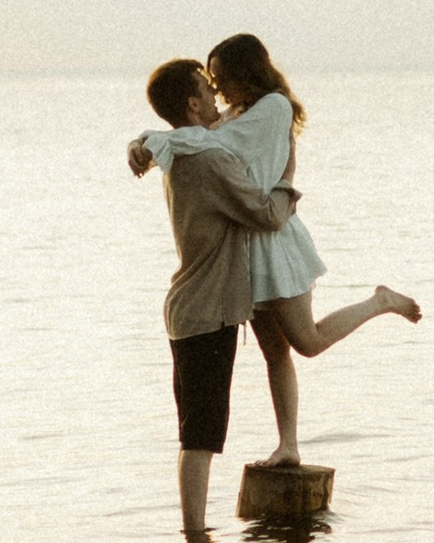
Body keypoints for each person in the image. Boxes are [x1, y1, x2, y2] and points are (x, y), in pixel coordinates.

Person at [128, 31, 418, 463]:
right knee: (274, 352)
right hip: (247, 243)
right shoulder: (236, 112)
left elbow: (214, 144)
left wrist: (152, 143)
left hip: (275, 236)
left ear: (247, 73)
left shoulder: (273, 108)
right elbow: (200, 137)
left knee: (307, 340)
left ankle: (380, 302)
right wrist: (145, 141)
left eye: (221, 78)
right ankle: (288, 446)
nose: (217, 88)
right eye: (212, 81)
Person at [138, 55, 298, 539]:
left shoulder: (183, 153)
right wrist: (289, 176)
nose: (216, 98)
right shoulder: (208, 158)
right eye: (207, 92)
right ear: (192, 103)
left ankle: (195, 537)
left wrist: (141, 142)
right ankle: (196, 537)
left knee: (196, 429)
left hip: (190, 306)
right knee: (202, 434)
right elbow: (266, 214)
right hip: (207, 310)